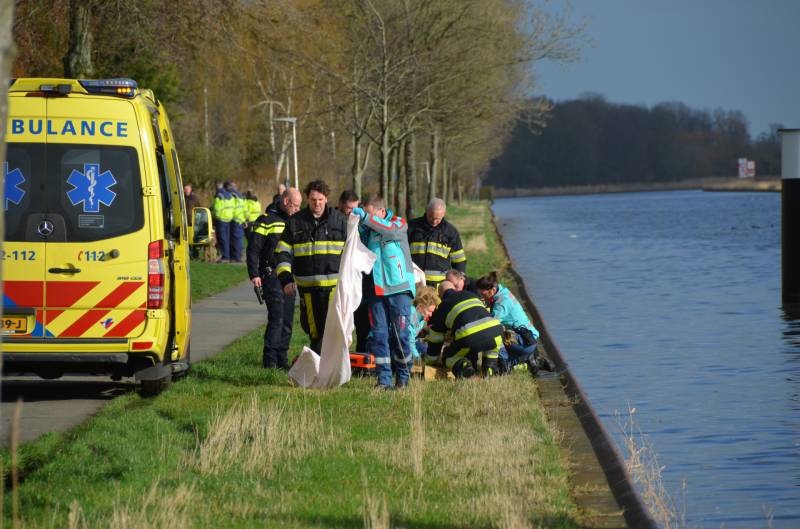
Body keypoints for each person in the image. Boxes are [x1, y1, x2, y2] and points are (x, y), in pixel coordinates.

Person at [275, 180, 347, 354]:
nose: (317, 203)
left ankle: (327, 370)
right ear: (308, 199)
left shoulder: (340, 221)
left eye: (321, 200)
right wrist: (285, 280)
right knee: (313, 331)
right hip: (307, 290)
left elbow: (352, 253)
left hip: (333, 289)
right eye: (313, 200)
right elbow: (282, 252)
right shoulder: (294, 222)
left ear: (326, 198)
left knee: (332, 331)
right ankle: (319, 369)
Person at [352, 195, 416, 389]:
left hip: (399, 290)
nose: (368, 219)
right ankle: (383, 381)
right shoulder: (368, 230)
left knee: (400, 336)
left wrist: (366, 218)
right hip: (376, 292)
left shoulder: (398, 223)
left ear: (381, 211)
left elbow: (391, 231)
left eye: (370, 214)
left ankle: (403, 378)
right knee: (378, 337)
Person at [247, 188, 302, 369]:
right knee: (277, 318)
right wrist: (254, 274)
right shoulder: (266, 221)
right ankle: (269, 362)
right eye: (295, 205)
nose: (297, 209)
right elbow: (254, 249)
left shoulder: (295, 222)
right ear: (285, 201)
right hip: (271, 275)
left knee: (287, 320)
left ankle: (282, 360)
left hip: (289, 276)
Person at [475, 271, 553, 375]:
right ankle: (530, 358)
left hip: (525, 339)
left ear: (493, 290)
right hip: (528, 335)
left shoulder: (502, 303)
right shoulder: (502, 292)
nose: (482, 298)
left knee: (494, 335)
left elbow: (490, 325)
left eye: (483, 294)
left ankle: (519, 363)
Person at [424, 281, 504, 378]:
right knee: (491, 353)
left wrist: (430, 360)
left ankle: (465, 368)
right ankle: (490, 370)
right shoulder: (471, 294)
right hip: (495, 330)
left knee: (449, 357)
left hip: (470, 335)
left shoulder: (443, 306)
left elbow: (436, 338)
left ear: (440, 296)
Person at [408, 198, 466, 286]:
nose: (434, 222)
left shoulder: (451, 232)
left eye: (438, 219)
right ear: (426, 211)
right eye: (431, 217)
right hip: (415, 282)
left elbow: (459, 260)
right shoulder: (412, 227)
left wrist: (460, 280)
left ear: (444, 214)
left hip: (440, 286)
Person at [408, 285, 440, 361]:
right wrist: (417, 358)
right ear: (421, 306)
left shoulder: (419, 316)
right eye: (429, 311)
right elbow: (409, 340)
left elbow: (414, 332)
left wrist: (424, 331)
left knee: (425, 350)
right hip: (401, 345)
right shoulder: (413, 315)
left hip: (412, 342)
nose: (431, 314)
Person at [212, 181, 234, 263]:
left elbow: (217, 209)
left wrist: (214, 216)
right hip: (228, 219)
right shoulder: (229, 195)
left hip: (221, 219)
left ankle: (225, 257)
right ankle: (227, 256)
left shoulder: (219, 195)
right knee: (226, 238)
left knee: (222, 238)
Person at [227, 181, 246, 262]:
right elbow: (245, 208)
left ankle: (236, 257)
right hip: (240, 219)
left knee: (235, 239)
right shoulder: (240, 195)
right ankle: (239, 256)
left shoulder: (231, 195)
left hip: (234, 218)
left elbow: (230, 207)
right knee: (239, 239)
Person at [184, 184, 201, 259]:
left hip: (192, 222)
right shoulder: (182, 197)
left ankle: (195, 255)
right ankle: (187, 255)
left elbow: (199, 208)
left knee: (194, 239)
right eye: (185, 189)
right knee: (186, 239)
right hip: (184, 222)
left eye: (188, 189)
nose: (186, 190)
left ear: (191, 189)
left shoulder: (195, 198)